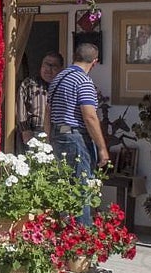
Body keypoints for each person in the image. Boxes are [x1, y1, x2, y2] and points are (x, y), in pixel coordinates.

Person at [47, 42, 110, 225]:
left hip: (59, 135)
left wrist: (48, 138)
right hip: (76, 137)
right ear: (95, 62)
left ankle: (63, 234)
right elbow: (89, 116)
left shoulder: (58, 79)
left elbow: (48, 112)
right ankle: (81, 238)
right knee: (81, 189)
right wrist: (102, 148)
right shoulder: (83, 81)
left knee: (64, 187)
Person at [16, 51, 65, 146]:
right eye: (46, 65)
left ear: (61, 69)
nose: (48, 69)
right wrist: (25, 130)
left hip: (58, 133)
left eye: (53, 66)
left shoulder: (64, 86)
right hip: (34, 132)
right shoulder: (29, 84)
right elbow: (20, 108)